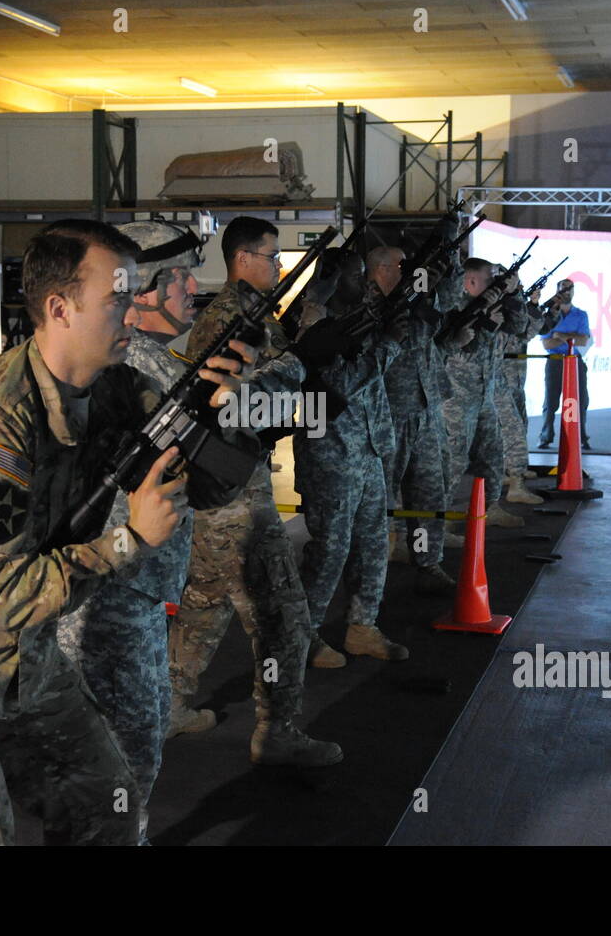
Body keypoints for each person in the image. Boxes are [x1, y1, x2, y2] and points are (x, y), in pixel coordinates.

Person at [0, 219, 249, 846]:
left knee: (105, 804)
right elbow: (1, 597)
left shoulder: (111, 386)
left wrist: (217, 410)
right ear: (60, 308)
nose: (134, 317)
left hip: (18, 650)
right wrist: (129, 540)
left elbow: (211, 483)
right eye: (118, 301)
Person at [55, 219, 260, 841]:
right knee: (125, 753)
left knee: (111, 753)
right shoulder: (137, 366)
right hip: (110, 587)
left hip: (125, 580)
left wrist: (223, 399)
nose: (190, 288)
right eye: (174, 279)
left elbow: (216, 476)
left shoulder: (149, 366)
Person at [170, 215, 342, 767]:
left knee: (205, 601)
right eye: (272, 256)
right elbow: (227, 401)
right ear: (244, 257)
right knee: (284, 618)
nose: (278, 265)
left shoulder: (249, 314)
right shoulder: (227, 319)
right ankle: (278, 733)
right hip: (234, 493)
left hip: (228, 485)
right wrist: (300, 359)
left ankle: (170, 703)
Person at [293, 248, 411, 663]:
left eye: (363, 276)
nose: (362, 284)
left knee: (372, 543)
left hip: (369, 447)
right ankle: (303, 635)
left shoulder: (359, 314)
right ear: (329, 280)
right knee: (330, 549)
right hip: (331, 453)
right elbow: (345, 382)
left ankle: (363, 625)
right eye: (353, 276)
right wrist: (389, 345)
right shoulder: (313, 323)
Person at [376, 230, 463, 593]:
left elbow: (447, 303)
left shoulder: (415, 303)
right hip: (389, 417)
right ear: (380, 271)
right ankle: (376, 566)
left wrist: (451, 260)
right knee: (381, 498)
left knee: (428, 494)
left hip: (426, 411)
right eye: (400, 266)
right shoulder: (370, 309)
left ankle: (425, 558)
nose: (407, 271)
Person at [441, 258, 530, 532]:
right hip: (456, 401)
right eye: (490, 279)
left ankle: (490, 507)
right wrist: (484, 325)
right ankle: (437, 527)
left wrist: (514, 294)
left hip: (485, 398)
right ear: (470, 282)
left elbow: (519, 326)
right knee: (452, 465)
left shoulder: (492, 305)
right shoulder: (453, 309)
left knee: (492, 457)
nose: (495, 284)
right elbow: (456, 348)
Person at [497, 281, 562, 493]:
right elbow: (526, 332)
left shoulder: (515, 312)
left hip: (515, 379)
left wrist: (542, 308)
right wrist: (533, 307)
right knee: (510, 430)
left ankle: (512, 471)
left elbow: (539, 327)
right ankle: (512, 478)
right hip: (503, 379)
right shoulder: (503, 312)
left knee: (519, 424)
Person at [537, 279, 592, 449]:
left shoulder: (581, 314)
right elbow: (547, 344)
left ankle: (581, 437)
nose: (567, 292)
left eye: (570, 288)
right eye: (563, 289)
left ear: (574, 291)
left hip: (575, 361)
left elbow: (583, 340)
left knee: (581, 400)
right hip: (555, 362)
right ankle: (546, 436)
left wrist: (559, 335)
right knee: (551, 401)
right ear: (557, 291)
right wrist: (572, 337)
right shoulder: (549, 315)